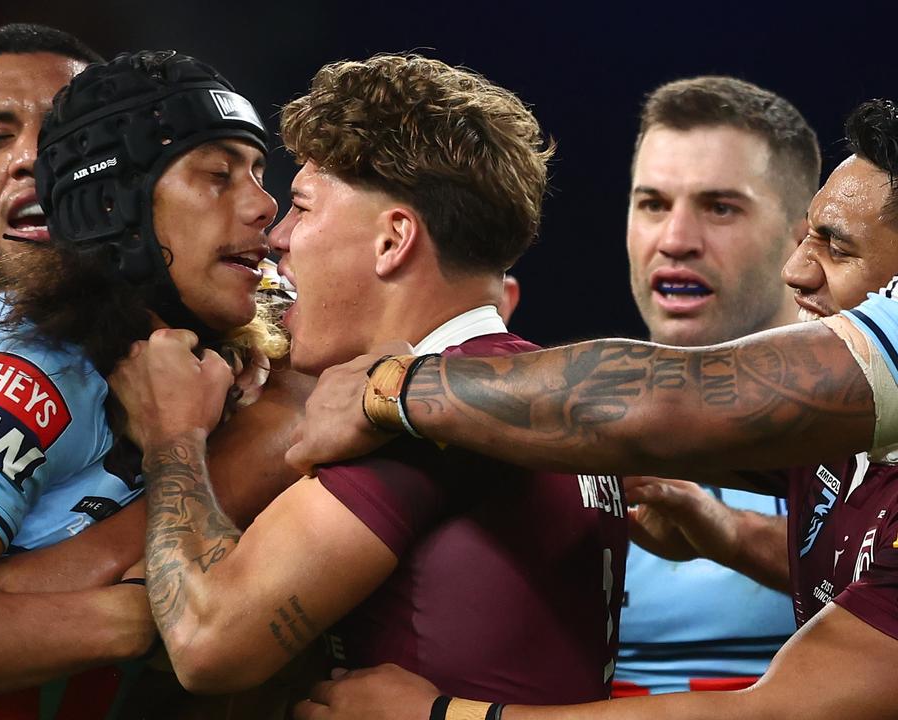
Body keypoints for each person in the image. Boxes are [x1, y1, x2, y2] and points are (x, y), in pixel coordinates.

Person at [288, 99, 898, 720]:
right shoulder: (859, 428)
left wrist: (444, 717)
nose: (795, 271)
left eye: (838, 249)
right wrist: (732, 533)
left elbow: (780, 713)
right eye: (652, 203)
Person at [0, 48, 306, 718]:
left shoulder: (218, 357)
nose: (264, 206)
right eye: (217, 176)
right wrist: (148, 617)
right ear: (114, 204)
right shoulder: (14, 368)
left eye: (260, 174)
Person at [110, 54, 627, 704]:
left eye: (301, 206)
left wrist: (172, 435)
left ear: (393, 240)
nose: (278, 238)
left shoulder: (425, 414)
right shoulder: (516, 386)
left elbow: (206, 644)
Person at [612, 76, 818, 696]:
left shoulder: (878, 421)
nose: (675, 241)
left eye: (720, 207)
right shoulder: (556, 426)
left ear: (803, 236)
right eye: (652, 204)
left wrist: (729, 535)